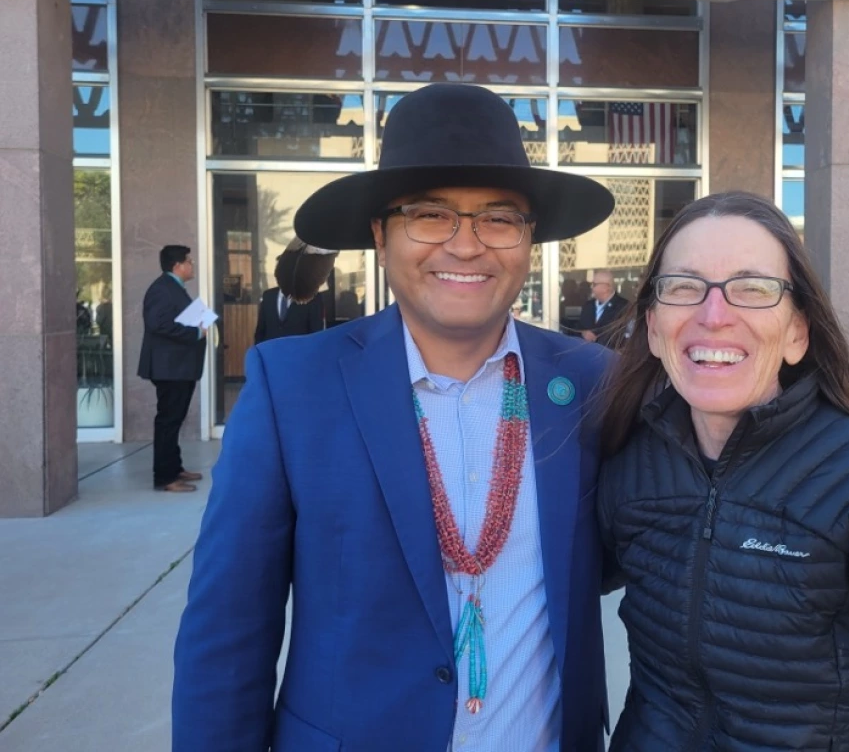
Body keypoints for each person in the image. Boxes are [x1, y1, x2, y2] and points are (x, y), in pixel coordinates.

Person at [173, 84, 617, 751]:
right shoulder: (293, 385)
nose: (466, 246)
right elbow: (228, 632)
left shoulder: (587, 384)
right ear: (382, 235)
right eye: (431, 215)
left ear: (530, 240)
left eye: (499, 218)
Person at [598, 192, 849, 751]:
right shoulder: (628, 467)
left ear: (797, 333)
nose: (714, 316)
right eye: (685, 287)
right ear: (655, 328)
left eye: (753, 289)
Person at [137, 245, 207, 493]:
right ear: (178, 265)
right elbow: (159, 324)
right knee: (168, 421)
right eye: (190, 261)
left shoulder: (173, 288)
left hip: (179, 367)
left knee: (174, 420)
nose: (192, 265)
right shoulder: (161, 290)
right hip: (169, 369)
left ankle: (175, 468)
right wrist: (196, 331)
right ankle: (165, 478)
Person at [252, 238, 329, 344]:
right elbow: (260, 331)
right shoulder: (268, 296)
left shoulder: (312, 297)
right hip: (271, 355)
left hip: (298, 356)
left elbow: (316, 333)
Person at [578, 269, 630, 349]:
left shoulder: (624, 306)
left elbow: (623, 334)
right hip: (587, 355)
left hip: (611, 356)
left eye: (594, 284)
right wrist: (583, 333)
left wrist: (596, 338)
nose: (591, 287)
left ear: (607, 287)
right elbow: (578, 328)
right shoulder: (588, 306)